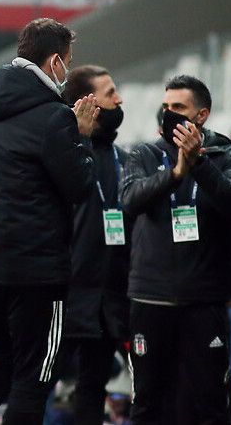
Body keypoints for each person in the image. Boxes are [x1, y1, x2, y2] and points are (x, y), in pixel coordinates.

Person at [0, 18, 99, 425]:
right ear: (54, 61)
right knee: (37, 374)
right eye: (68, 60)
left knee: (2, 364)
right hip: (38, 271)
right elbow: (80, 187)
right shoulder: (54, 117)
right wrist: (83, 135)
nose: (68, 69)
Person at [120, 75, 231, 424]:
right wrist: (176, 173)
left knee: (209, 403)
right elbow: (130, 200)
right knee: (148, 404)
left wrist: (198, 164)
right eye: (166, 107)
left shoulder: (225, 154)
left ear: (202, 115)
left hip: (203, 299)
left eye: (178, 107)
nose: (169, 114)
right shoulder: (145, 154)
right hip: (151, 297)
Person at [57, 65, 131, 424]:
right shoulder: (61, 157)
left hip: (110, 300)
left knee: (93, 391)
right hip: (65, 297)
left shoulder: (124, 160)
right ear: (89, 103)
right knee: (36, 386)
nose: (119, 99)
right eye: (110, 93)